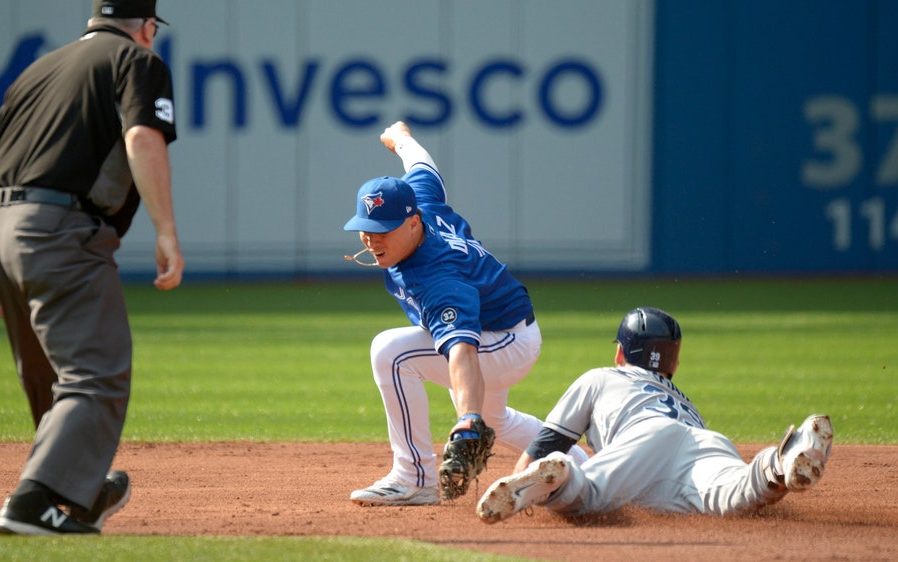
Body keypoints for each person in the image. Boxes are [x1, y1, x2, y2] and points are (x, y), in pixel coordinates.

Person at [0, 0, 183, 535]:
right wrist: (166, 230)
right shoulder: (138, 62)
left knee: (50, 376)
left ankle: (73, 493)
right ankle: (35, 501)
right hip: (56, 230)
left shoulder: (38, 70)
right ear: (147, 28)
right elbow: (141, 137)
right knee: (97, 375)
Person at [343, 121, 588, 506]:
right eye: (366, 229)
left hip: (505, 341)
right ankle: (588, 467)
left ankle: (414, 478)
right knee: (500, 420)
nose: (373, 240)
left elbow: (461, 352)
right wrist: (401, 139)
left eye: (383, 230)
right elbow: (422, 165)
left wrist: (468, 417)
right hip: (506, 327)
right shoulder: (420, 201)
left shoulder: (438, 278)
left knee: (391, 353)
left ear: (412, 223)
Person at [476, 306, 834, 523]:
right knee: (736, 495)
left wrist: (518, 476)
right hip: (706, 439)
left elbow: (547, 441)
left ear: (621, 353)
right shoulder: (686, 402)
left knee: (588, 497)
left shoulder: (603, 376)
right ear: (672, 363)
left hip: (641, 436)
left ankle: (560, 475)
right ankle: (779, 461)